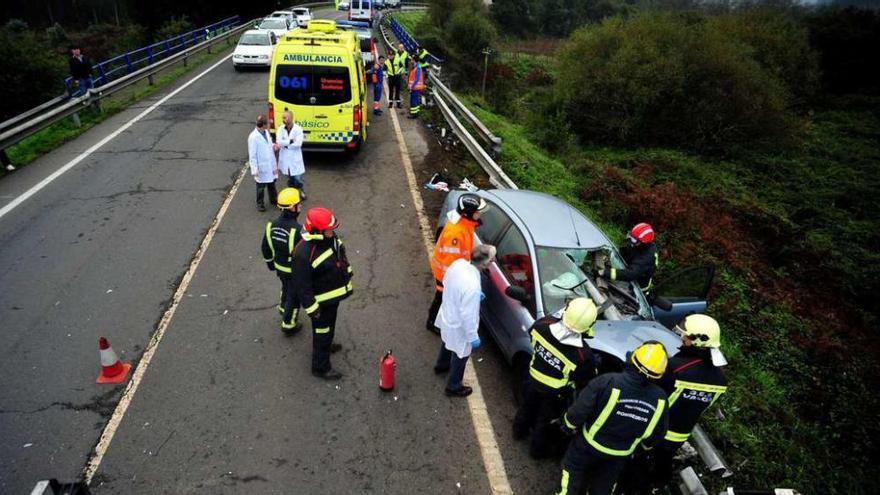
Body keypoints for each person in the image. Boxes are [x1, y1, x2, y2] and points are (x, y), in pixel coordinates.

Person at [554, 341, 670, 495]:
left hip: (588, 445)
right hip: (620, 455)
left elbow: (579, 411)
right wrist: (641, 448)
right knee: (603, 486)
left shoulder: (608, 381)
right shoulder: (661, 399)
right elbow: (658, 433)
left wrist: (566, 425)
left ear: (633, 359)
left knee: (571, 472)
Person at [639, 314, 728, 491]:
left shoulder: (675, 367)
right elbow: (703, 406)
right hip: (681, 433)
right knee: (663, 462)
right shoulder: (721, 380)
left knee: (640, 463)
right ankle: (657, 485)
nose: (682, 337)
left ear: (698, 341)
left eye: (686, 335)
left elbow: (650, 393)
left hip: (656, 429)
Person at [512, 297, 599, 459]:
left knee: (526, 407)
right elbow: (583, 381)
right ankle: (536, 452)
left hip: (532, 379)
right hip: (554, 393)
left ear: (566, 311)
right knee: (543, 422)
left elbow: (533, 337)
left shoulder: (542, 325)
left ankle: (518, 431)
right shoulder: (583, 355)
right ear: (589, 325)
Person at [293, 207, 353, 380]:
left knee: (329, 328)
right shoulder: (303, 253)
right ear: (317, 231)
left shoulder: (331, 239)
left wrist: (347, 273)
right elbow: (302, 286)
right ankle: (320, 367)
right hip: (320, 305)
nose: (332, 231)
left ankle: (327, 345)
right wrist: (313, 309)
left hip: (333, 299)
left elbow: (341, 257)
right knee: (322, 332)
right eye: (328, 229)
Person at [433, 244, 496, 397]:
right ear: (484, 264)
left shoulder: (458, 264)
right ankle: (453, 386)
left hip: (448, 315)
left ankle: (441, 365)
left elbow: (447, 281)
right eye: (492, 258)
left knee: (447, 342)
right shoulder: (472, 287)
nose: (493, 260)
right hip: (459, 326)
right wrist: (473, 337)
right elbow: (468, 316)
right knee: (460, 355)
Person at [426, 194, 488, 333]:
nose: (480, 215)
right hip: (445, 274)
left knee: (443, 298)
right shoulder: (456, 233)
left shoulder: (465, 224)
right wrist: (454, 281)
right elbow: (450, 261)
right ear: (469, 213)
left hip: (450, 271)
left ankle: (434, 320)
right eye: (478, 212)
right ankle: (432, 322)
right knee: (441, 298)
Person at [261, 188, 304, 334]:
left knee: (286, 287)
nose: (301, 206)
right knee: (294, 296)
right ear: (292, 208)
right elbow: (302, 255)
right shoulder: (298, 230)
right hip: (293, 271)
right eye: (298, 204)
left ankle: (283, 307)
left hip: (280, 268)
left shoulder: (270, 225)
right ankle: (289, 324)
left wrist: (270, 264)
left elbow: (265, 248)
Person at [603, 222, 658, 292]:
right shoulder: (638, 243)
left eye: (634, 240)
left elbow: (631, 274)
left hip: (637, 285)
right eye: (631, 237)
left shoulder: (647, 257)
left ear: (643, 243)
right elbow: (625, 250)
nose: (631, 241)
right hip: (630, 267)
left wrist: (606, 273)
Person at [247, 115, 278, 211]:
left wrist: (273, 146)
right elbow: (252, 155)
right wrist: (254, 168)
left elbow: (268, 144)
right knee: (260, 187)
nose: (269, 125)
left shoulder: (266, 133)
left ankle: (274, 199)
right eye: (268, 123)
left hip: (269, 164)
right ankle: (260, 203)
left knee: (272, 183)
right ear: (263, 125)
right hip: (261, 166)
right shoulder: (253, 137)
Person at [277, 110, 306, 197]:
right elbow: (279, 142)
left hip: (295, 158)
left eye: (285, 118)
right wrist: (290, 141)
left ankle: (301, 192)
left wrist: (286, 145)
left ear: (291, 118)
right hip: (286, 158)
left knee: (297, 178)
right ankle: (292, 194)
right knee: (290, 178)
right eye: (282, 117)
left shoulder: (298, 129)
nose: (283, 119)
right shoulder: (280, 129)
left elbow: (298, 144)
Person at [391, 44, 409, 108]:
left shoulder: (406, 54)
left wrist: (406, 72)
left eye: (402, 47)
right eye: (399, 47)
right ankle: (396, 99)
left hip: (402, 73)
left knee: (401, 87)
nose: (400, 48)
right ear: (398, 48)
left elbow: (406, 63)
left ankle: (400, 101)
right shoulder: (396, 53)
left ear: (403, 48)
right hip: (396, 72)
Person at [407, 54, 425, 119]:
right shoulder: (417, 66)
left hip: (415, 87)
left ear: (414, 60)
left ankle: (413, 114)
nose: (411, 60)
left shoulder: (417, 68)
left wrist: (411, 87)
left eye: (412, 59)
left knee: (413, 101)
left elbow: (416, 79)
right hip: (416, 87)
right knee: (416, 100)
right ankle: (416, 113)